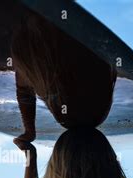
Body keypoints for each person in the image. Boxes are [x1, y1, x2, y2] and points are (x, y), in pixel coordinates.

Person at [11, 12, 117, 142]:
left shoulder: (93, 38)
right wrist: (29, 131)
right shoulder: (36, 54)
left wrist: (29, 131)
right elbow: (24, 90)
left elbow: (24, 90)